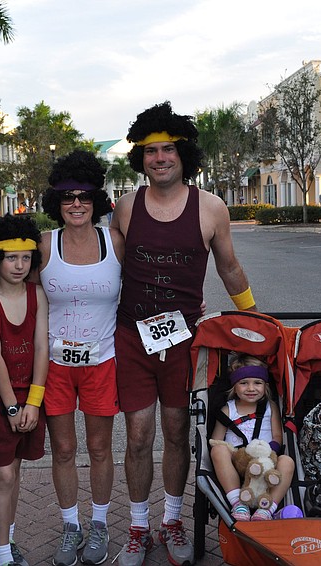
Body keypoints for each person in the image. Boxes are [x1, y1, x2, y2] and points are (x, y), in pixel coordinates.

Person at [110, 101, 257, 566]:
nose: (159, 158)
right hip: (132, 337)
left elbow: (229, 267)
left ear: (183, 153)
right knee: (137, 436)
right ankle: (138, 527)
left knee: (176, 433)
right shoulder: (127, 207)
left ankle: (172, 520)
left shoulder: (210, 208)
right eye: (150, 151)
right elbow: (104, 271)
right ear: (141, 158)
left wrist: (255, 321)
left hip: (182, 340)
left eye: (168, 149)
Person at [38, 150, 123, 566]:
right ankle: (71, 526)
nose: (76, 204)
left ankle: (101, 524)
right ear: (56, 201)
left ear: (97, 200)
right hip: (54, 366)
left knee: (101, 448)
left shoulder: (115, 243)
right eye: (68, 197)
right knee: (65, 450)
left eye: (85, 196)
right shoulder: (43, 245)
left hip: (102, 362)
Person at [0, 215, 49, 566]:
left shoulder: (38, 295)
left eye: (25, 258)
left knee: (15, 471)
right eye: (10, 257)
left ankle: (9, 539)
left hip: (31, 399)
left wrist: (33, 403)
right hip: (0, 399)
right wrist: (11, 407)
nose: (19, 265)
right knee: (3, 472)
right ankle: (3, 554)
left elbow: (41, 349)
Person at [209, 354, 294, 521]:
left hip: (266, 461)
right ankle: (238, 503)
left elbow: (277, 436)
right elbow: (216, 440)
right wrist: (237, 454)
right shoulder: (228, 410)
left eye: (257, 383)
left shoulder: (270, 407)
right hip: (237, 462)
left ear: (265, 386)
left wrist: (267, 454)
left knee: (287, 462)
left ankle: (267, 509)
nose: (251, 388)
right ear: (234, 386)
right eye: (243, 383)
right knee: (218, 450)